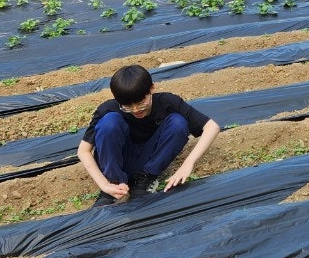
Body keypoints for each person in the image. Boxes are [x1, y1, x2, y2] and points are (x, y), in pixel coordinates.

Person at [77, 64, 221, 203]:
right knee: (109, 122)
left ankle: (146, 180)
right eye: (127, 106)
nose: (135, 110)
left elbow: (212, 127)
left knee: (178, 122)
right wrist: (104, 184)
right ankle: (114, 182)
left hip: (149, 160)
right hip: (122, 159)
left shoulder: (168, 102)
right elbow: (83, 151)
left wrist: (187, 164)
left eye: (141, 102)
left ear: (151, 89)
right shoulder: (107, 109)